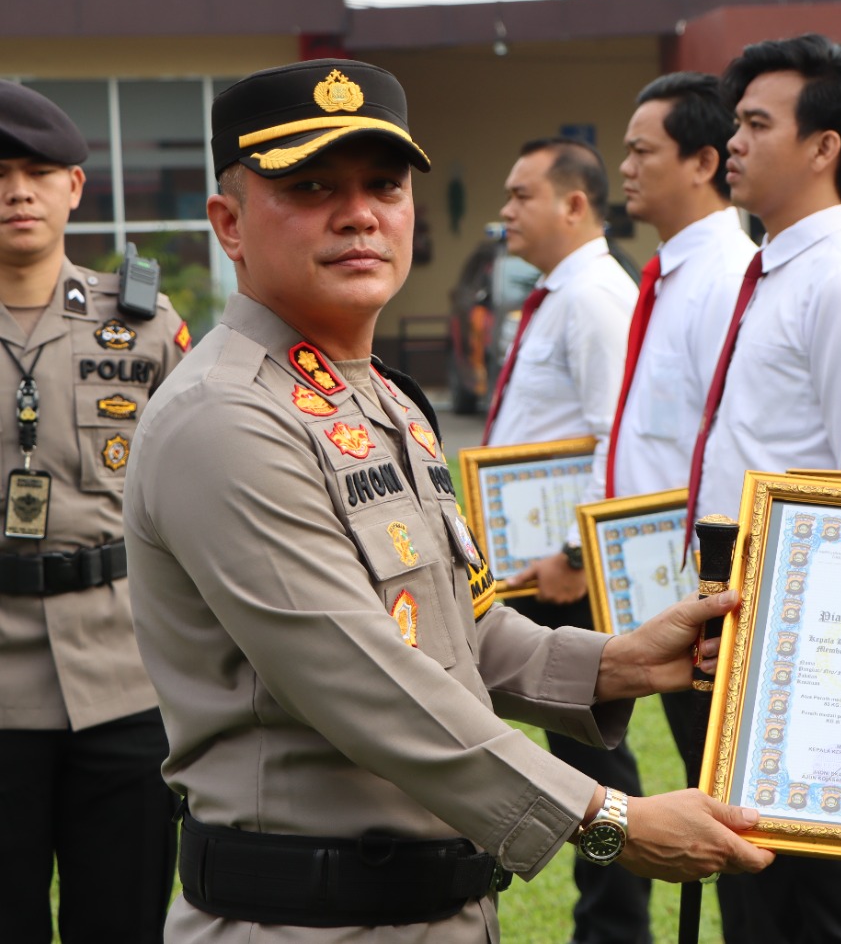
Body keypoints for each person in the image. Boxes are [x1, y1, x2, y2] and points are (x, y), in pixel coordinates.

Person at [123, 58, 772, 943]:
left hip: (440, 908)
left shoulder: (373, 395)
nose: (357, 212)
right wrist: (606, 818)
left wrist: (615, 663)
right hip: (302, 918)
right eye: (310, 187)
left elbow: (443, 626)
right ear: (229, 224)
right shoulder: (224, 419)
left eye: (382, 185)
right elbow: (361, 678)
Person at [687, 34, 841, 944]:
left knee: (828, 886)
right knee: (752, 870)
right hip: (738, 580)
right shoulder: (768, 268)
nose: (732, 142)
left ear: (824, 148)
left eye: (755, 124)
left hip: (809, 596)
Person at [0, 81, 188, 944]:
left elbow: (201, 500)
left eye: (39, 172)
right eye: (0, 174)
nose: (17, 192)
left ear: (77, 186)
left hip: (122, 676)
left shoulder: (144, 326)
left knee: (122, 922)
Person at [480, 137, 649, 944]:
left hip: (562, 570)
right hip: (531, 562)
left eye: (520, 195)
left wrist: (579, 559)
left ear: (573, 204)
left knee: (594, 754)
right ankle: (605, 921)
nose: (504, 212)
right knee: (576, 747)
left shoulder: (594, 298)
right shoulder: (555, 294)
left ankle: (614, 928)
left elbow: (612, 434)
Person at [607, 72, 757, 787]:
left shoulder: (728, 277)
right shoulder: (669, 276)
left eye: (643, 152)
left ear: (704, 162)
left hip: (712, 595)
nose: (626, 169)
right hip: (662, 586)